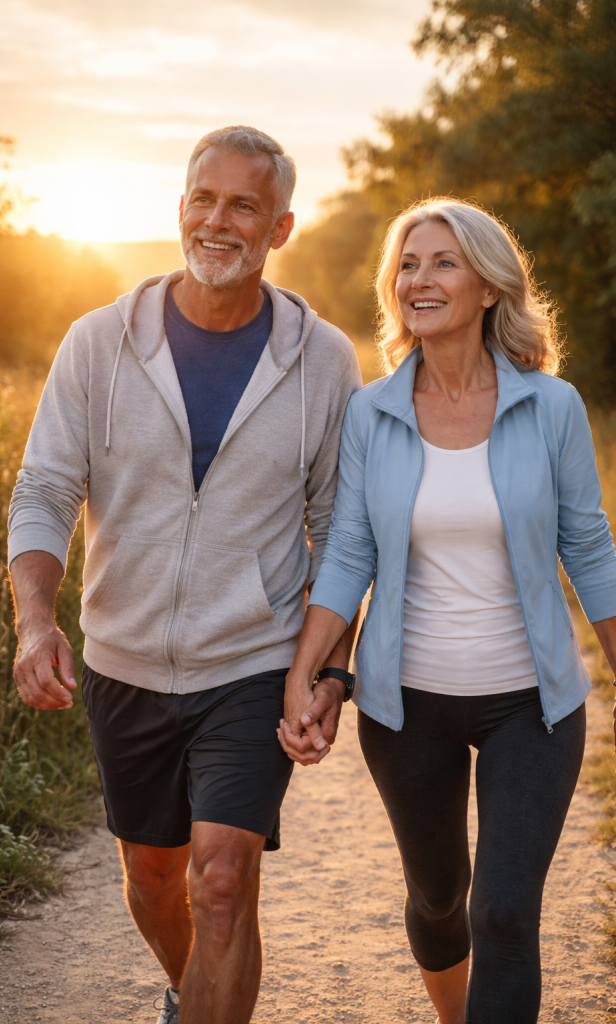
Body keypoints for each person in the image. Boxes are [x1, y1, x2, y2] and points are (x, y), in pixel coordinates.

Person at [8, 125, 361, 1024]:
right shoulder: (97, 343)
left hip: (247, 661)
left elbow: (341, 532)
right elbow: (46, 488)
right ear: (179, 210)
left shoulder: (322, 360)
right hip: (121, 661)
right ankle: (188, 991)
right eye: (204, 199)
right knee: (156, 877)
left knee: (219, 879)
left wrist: (322, 670)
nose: (218, 221)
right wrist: (36, 622)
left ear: (278, 228)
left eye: (244, 204)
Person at [278, 197, 616, 1024]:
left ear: (489, 286)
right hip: (407, 708)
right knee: (439, 900)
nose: (417, 279)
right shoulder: (372, 411)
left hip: (531, 706)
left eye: (441, 262)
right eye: (406, 263)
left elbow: (591, 550)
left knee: (502, 912)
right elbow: (348, 551)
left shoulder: (552, 407)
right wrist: (309, 674)